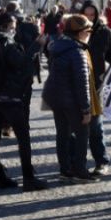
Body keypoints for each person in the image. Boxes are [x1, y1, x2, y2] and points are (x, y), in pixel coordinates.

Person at [0, 13, 49, 191]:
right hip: (9, 96)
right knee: (23, 137)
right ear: (3, 27)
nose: (14, 30)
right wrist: (36, 45)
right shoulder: (7, 44)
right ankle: (28, 177)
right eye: (12, 26)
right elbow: (21, 63)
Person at [43, 14, 101, 184]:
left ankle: (65, 169)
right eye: (88, 30)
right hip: (72, 101)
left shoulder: (57, 46)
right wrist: (86, 109)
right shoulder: (78, 52)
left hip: (56, 98)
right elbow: (82, 83)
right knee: (82, 134)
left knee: (62, 134)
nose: (90, 32)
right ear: (80, 32)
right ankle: (80, 170)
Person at [81, 0, 111, 177]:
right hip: (76, 83)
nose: (89, 18)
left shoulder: (104, 32)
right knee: (75, 127)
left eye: (92, 14)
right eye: (86, 14)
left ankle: (101, 161)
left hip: (96, 83)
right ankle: (76, 163)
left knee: (96, 126)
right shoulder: (74, 31)